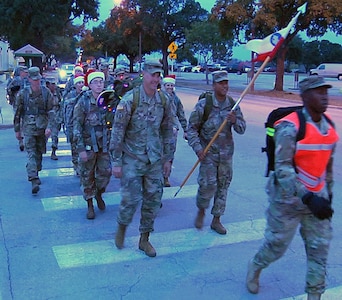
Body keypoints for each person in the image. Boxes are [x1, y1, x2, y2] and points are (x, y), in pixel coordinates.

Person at [246, 76, 339, 300]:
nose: (324, 96)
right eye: (319, 92)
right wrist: (308, 198)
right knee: (276, 246)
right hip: (287, 200)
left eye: (326, 91)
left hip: (316, 199)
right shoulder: (289, 128)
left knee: (319, 250)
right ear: (305, 97)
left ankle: (314, 295)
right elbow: (283, 169)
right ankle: (256, 266)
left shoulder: (329, 127)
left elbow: (327, 164)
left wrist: (329, 194)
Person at [110, 59, 175, 257]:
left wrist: (167, 159)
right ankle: (122, 227)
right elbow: (117, 133)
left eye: (158, 76)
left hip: (154, 159)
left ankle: (144, 239)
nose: (155, 79)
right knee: (130, 200)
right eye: (152, 74)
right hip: (132, 157)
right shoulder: (130, 101)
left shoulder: (164, 100)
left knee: (153, 200)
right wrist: (116, 162)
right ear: (144, 74)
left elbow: (167, 131)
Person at [187, 70, 246, 235]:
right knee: (207, 185)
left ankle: (216, 219)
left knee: (223, 187)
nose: (224, 86)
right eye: (221, 83)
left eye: (226, 82)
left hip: (226, 155)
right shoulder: (204, 105)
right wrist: (198, 149)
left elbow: (242, 129)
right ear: (214, 85)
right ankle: (202, 210)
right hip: (208, 154)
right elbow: (191, 129)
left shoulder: (233, 105)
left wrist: (235, 121)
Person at [73, 71, 111, 219]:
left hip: (104, 145)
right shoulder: (83, 101)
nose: (99, 84)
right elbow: (77, 125)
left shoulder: (108, 99)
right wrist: (80, 148)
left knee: (105, 173)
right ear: (89, 84)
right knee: (87, 176)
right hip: (88, 144)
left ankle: (99, 194)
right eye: (95, 82)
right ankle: (90, 205)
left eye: (101, 81)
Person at [13, 67, 55, 194]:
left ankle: (36, 170)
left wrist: (50, 127)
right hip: (29, 127)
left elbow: (51, 111)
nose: (36, 81)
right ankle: (33, 178)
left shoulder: (46, 92)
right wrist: (17, 131)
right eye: (34, 79)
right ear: (29, 79)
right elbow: (18, 114)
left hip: (42, 128)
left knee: (40, 152)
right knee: (31, 152)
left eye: (38, 79)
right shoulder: (22, 94)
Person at [161, 74, 187, 187]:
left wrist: (185, 129)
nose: (170, 87)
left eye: (171, 85)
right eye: (167, 85)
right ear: (163, 85)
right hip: (159, 132)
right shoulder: (158, 97)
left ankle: (166, 177)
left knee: (169, 155)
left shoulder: (176, 99)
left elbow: (181, 114)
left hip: (172, 132)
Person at [64, 74, 85, 174]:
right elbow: (67, 107)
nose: (81, 85)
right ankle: (76, 164)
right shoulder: (71, 95)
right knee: (74, 147)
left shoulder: (86, 94)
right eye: (79, 83)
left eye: (82, 82)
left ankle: (82, 166)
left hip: (83, 126)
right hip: (72, 125)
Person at [7, 66, 29, 151]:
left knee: (22, 122)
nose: (26, 73)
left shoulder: (27, 80)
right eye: (24, 71)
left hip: (25, 104)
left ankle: (23, 141)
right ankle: (22, 141)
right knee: (20, 122)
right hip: (19, 104)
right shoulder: (17, 80)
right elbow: (9, 90)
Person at [46, 77, 63, 160]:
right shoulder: (44, 93)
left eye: (54, 84)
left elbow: (61, 103)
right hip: (46, 117)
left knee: (55, 135)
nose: (53, 86)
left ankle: (53, 151)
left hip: (56, 116)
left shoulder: (58, 92)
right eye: (51, 84)